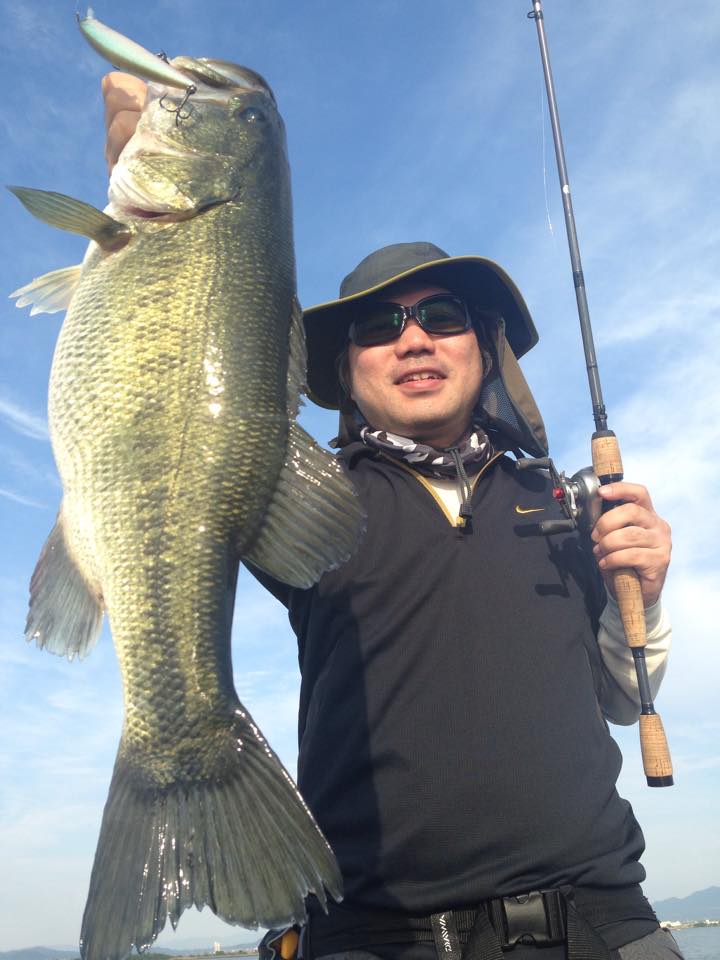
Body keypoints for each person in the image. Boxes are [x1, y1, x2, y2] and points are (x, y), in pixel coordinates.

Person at [102, 75, 682, 960]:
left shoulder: (559, 501)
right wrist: (156, 247)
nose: (414, 339)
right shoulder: (300, 488)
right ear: (347, 367)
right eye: (378, 326)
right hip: (377, 935)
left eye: (441, 316)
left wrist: (646, 593)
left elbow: (624, 696)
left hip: (603, 919)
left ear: (484, 348)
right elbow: (178, 433)